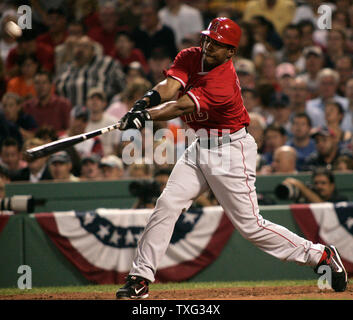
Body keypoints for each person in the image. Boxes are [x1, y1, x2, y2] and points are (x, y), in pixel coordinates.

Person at [115, 17, 348, 299]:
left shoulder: (223, 81)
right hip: (200, 144)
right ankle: (140, 277)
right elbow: (170, 85)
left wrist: (147, 117)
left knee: (251, 225)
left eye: (217, 44)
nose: (208, 46)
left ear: (230, 52)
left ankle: (320, 255)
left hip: (230, 148)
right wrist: (144, 103)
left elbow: (180, 106)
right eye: (208, 39)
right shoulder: (191, 55)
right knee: (167, 203)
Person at [55, 35, 125, 107]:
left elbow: (123, 87)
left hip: (102, 113)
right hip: (70, 114)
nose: (81, 49)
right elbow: (55, 92)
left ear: (93, 51)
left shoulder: (107, 64)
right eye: (78, 46)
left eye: (85, 46)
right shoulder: (65, 68)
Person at [84, 88, 120, 156]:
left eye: (98, 99)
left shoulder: (113, 122)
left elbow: (116, 148)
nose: (95, 102)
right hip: (88, 158)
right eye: (92, 99)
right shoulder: (83, 122)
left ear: (104, 103)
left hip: (107, 159)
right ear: (87, 103)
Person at [281, 168, 348, 203]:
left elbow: (324, 208)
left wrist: (301, 187)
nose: (319, 186)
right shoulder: (308, 200)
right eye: (316, 183)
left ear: (332, 186)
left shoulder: (341, 200)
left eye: (323, 183)